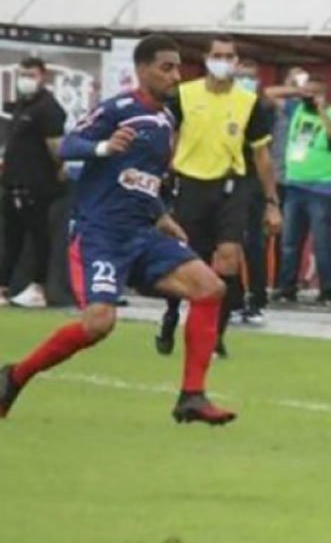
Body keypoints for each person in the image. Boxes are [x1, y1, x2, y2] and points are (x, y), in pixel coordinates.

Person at [0, 35, 235, 424]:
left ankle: (192, 396)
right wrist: (104, 147)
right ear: (142, 70)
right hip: (101, 235)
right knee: (99, 324)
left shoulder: (166, 119)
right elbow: (68, 146)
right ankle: (15, 375)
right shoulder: (118, 108)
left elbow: (145, 177)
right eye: (166, 67)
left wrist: (160, 214)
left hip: (142, 232)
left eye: (178, 68)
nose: (175, 75)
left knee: (210, 288)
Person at [156, 36, 282, 359]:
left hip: (230, 186)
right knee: (186, 261)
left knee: (227, 256)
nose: (223, 61)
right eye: (218, 55)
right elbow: (166, 138)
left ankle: (215, 335)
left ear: (237, 63)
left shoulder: (248, 102)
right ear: (206, 58)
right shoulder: (184, 95)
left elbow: (262, 156)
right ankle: (171, 314)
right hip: (190, 184)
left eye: (229, 56)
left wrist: (272, 203)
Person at [267, 74, 331, 305]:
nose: (310, 97)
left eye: (315, 92)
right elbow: (269, 93)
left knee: (322, 241)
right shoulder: (296, 109)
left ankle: (327, 290)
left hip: (320, 189)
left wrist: (322, 110)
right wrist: (296, 92)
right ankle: (286, 288)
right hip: (294, 185)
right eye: (308, 92)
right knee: (290, 241)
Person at [0, 56, 67, 308]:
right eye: (23, 74)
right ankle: (3, 287)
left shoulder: (48, 108)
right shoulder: (22, 105)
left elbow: (56, 148)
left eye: (31, 75)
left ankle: (38, 288)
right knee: (11, 237)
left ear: (43, 76)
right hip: (13, 181)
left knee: (39, 236)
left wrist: (59, 169)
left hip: (37, 183)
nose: (26, 80)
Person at [233, 56, 271, 325]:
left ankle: (256, 299)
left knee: (253, 243)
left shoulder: (260, 109)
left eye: (251, 77)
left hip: (252, 182)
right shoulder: (227, 106)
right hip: (225, 179)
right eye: (242, 76)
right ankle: (233, 300)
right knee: (227, 243)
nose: (247, 82)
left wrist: (271, 198)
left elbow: (263, 155)